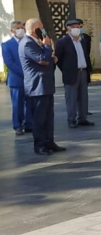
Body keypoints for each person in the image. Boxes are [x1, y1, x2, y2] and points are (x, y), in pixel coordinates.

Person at [18, 19, 66, 155]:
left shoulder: (36, 42)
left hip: (45, 85)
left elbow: (47, 60)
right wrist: (47, 47)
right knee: (39, 119)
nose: (43, 31)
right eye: (41, 28)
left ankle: (49, 142)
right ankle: (40, 145)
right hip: (37, 87)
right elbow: (42, 59)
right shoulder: (27, 43)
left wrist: (52, 59)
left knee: (48, 117)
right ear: (35, 30)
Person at [55, 19, 93, 128]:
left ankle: (82, 118)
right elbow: (58, 59)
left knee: (83, 96)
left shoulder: (83, 41)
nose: (76, 29)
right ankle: (71, 119)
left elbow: (86, 55)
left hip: (83, 71)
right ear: (68, 29)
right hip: (71, 73)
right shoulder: (63, 42)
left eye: (78, 27)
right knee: (71, 98)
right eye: (73, 27)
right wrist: (66, 69)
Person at [2, 21, 29, 135]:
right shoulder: (6, 45)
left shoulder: (28, 42)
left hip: (30, 79)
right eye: (18, 28)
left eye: (22, 27)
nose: (21, 30)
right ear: (12, 30)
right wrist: (25, 73)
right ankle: (18, 126)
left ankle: (29, 124)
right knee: (17, 104)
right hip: (16, 80)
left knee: (30, 103)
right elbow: (9, 63)